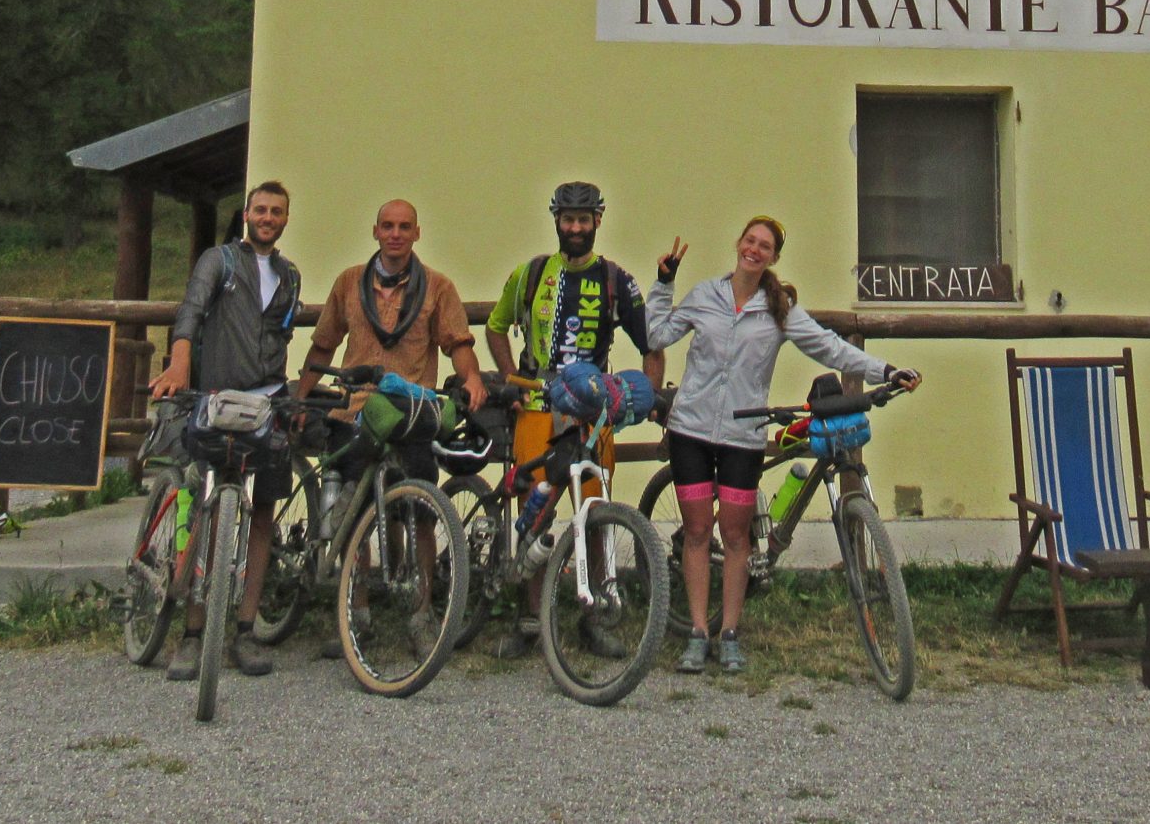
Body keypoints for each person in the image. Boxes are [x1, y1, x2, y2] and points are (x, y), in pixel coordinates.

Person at [649, 216, 919, 675]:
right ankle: (697, 633)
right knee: (696, 534)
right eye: (750, 241)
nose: (754, 249)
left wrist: (885, 370)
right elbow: (657, 336)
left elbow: (831, 348)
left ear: (774, 257)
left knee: (735, 537)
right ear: (738, 244)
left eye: (765, 246)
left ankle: (729, 633)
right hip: (690, 430)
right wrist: (663, 283)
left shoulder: (780, 310)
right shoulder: (705, 296)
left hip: (742, 434)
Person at [482, 180, 664, 655]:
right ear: (556, 220)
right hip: (538, 408)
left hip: (594, 413)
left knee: (596, 515)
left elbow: (652, 345)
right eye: (568, 219)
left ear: (598, 221)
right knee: (532, 511)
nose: (576, 228)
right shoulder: (531, 273)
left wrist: (644, 399)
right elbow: (496, 327)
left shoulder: (616, 280)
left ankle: (596, 617)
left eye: (584, 220)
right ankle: (530, 619)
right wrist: (510, 380)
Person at [147, 179, 303, 681]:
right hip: (216, 401)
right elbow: (190, 313)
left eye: (277, 211)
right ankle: (193, 634)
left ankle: (244, 629)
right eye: (261, 209)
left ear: (285, 219)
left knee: (263, 515)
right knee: (208, 515)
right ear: (247, 215)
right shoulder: (220, 261)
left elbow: (280, 336)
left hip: (268, 404)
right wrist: (178, 367)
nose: (268, 217)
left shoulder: (289, 274)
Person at [293, 198, 488, 475]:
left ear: (417, 233)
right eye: (388, 226)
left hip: (409, 412)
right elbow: (324, 344)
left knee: (420, 496)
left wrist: (472, 378)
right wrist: (301, 397)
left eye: (404, 227)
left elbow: (458, 343)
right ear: (376, 232)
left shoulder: (439, 286)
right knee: (347, 491)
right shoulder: (349, 281)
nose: (395, 234)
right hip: (353, 409)